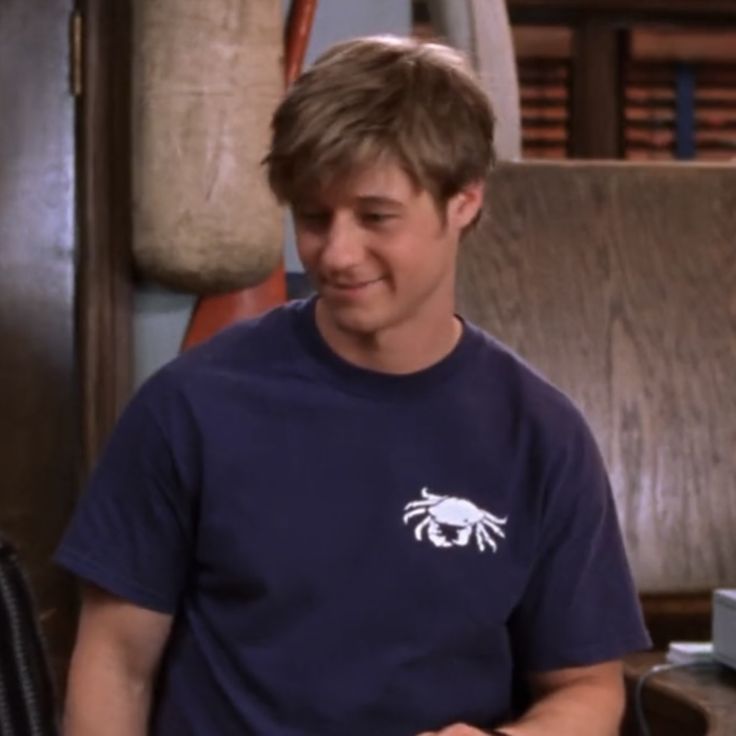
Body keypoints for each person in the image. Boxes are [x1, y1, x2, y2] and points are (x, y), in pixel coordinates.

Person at [56, 35, 650, 736]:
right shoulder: (189, 409)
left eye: (374, 217)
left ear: (462, 202)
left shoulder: (542, 435)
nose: (335, 254)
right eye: (313, 218)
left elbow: (588, 691)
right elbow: (114, 668)